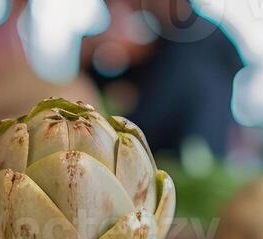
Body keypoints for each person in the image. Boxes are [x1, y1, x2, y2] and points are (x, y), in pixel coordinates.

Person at [82, 0, 242, 157]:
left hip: (181, 167)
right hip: (194, 163)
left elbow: (146, 123)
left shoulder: (187, 46)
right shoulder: (170, 43)